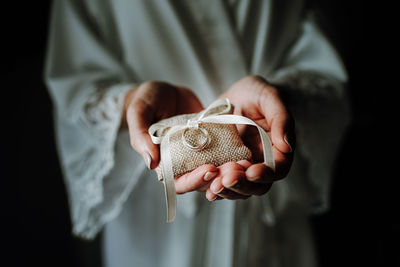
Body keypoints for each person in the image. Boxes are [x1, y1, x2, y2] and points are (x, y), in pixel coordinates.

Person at [45, 0, 350, 266]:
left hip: (268, 200)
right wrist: (129, 102)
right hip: (154, 227)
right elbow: (74, 82)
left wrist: (278, 98)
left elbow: (321, 66)